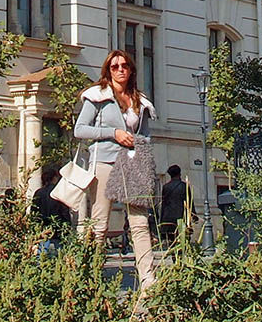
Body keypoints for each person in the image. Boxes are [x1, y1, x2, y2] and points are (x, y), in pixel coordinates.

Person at [74, 49, 157, 290]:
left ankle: (148, 280)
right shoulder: (97, 96)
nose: (120, 69)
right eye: (115, 66)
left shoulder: (140, 100)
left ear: (131, 70)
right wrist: (114, 133)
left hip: (134, 163)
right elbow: (80, 129)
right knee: (100, 222)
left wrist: (141, 149)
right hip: (105, 162)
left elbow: (146, 134)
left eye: (124, 66)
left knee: (140, 223)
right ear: (108, 71)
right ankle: (91, 279)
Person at [159, 164, 194, 246]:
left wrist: (161, 220)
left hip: (168, 218)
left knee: (171, 241)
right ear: (179, 174)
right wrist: (193, 215)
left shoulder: (166, 187)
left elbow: (164, 204)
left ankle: (174, 256)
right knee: (182, 239)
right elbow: (189, 202)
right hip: (181, 217)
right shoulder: (184, 186)